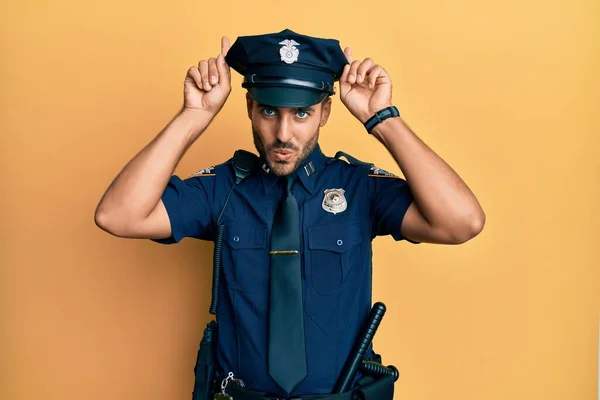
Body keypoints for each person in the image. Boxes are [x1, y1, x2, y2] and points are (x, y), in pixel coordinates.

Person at [94, 29, 485, 400]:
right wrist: (192, 116)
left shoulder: (359, 188)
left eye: (301, 113)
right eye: (268, 111)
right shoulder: (223, 189)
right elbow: (118, 216)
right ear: (249, 107)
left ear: (325, 112)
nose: (283, 133)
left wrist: (382, 119)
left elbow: (461, 223)